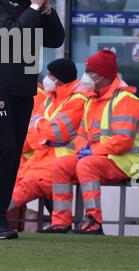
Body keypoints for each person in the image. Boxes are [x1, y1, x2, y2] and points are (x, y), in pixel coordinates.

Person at [0, 0, 65, 239]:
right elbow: (11, 36)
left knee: (13, 153)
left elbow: (55, 40)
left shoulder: (37, 6)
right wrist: (36, 7)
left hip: (23, 89)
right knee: (3, 150)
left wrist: (47, 10)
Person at [0, 59, 88, 230]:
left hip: (60, 159)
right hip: (42, 157)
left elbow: (56, 131)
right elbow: (30, 130)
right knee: (15, 177)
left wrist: (39, 130)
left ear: (60, 78)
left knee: (26, 182)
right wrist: (40, 133)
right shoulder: (52, 98)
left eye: (51, 75)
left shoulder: (73, 99)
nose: (47, 78)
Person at [45, 49, 139, 235]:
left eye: (89, 72)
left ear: (103, 76)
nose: (85, 76)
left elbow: (123, 141)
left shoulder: (125, 99)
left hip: (126, 162)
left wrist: (93, 151)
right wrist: (82, 148)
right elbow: (80, 135)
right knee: (60, 165)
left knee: (87, 165)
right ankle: (61, 222)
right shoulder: (91, 99)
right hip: (102, 158)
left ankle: (94, 221)